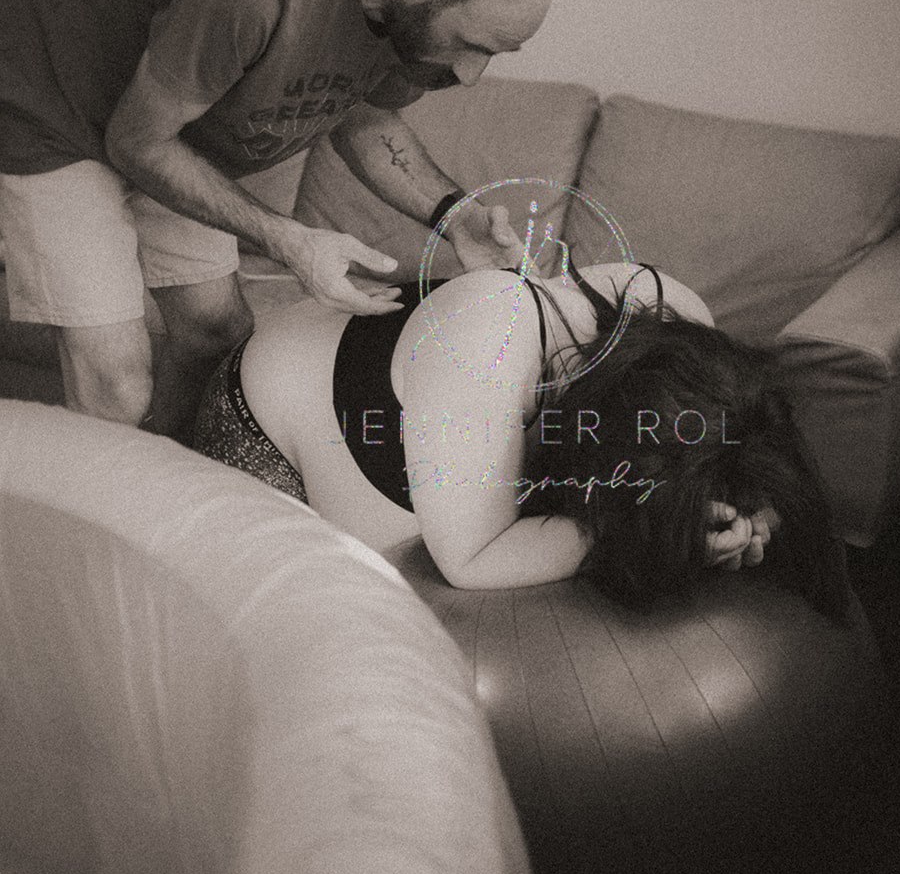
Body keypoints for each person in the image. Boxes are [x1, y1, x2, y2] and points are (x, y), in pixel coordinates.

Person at [0, 0, 554, 438]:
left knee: (215, 336)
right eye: (470, 46)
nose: (470, 76)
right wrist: (291, 240)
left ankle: (159, 494)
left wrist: (455, 218)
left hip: (171, 120)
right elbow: (137, 142)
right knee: (115, 386)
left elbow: (361, 114)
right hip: (53, 109)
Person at [192, 243, 852, 612]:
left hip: (439, 404)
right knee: (358, 608)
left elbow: (743, 434)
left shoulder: (671, 309)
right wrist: (660, 535)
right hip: (266, 431)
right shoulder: (487, 346)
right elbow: (469, 563)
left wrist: (759, 512)